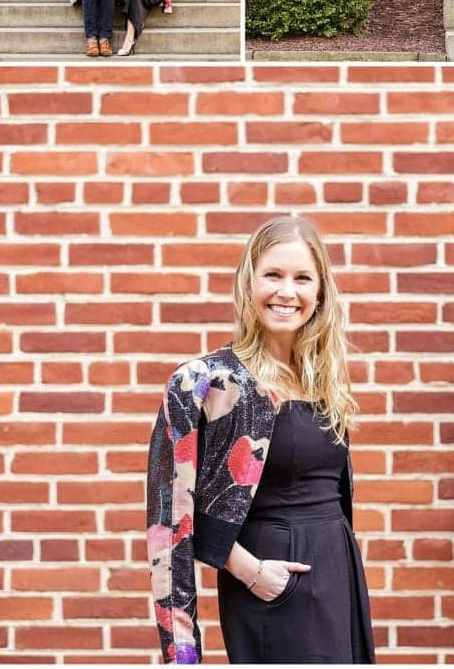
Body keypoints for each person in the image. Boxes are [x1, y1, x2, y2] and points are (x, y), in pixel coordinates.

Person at [146, 216, 375, 665]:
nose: (287, 292)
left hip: (336, 576)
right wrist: (250, 573)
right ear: (248, 282)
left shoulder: (322, 380)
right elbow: (170, 522)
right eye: (273, 274)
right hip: (271, 587)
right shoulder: (206, 382)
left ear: (320, 293)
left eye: (302, 278)